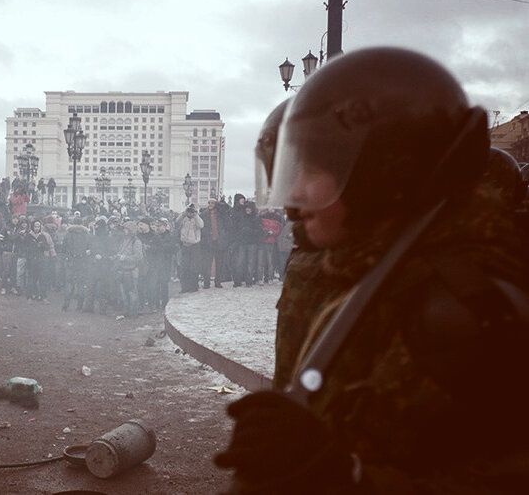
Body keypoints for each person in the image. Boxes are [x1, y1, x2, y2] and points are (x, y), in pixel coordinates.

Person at [216, 47, 529, 493]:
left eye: (313, 169)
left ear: (380, 173)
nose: (293, 198)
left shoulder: (459, 317)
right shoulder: (382, 276)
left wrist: (339, 477)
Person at [199, 197, 230, 288]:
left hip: (219, 242)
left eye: (212, 203)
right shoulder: (203, 215)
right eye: (209, 203)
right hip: (208, 242)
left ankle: (218, 282)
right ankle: (206, 283)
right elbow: (202, 228)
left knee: (219, 263)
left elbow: (228, 225)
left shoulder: (221, 214)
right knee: (207, 263)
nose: (210, 205)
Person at [174, 204, 203, 293]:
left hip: (194, 245)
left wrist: (195, 215)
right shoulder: (184, 218)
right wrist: (183, 214)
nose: (190, 213)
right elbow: (176, 222)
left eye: (191, 211)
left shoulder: (197, 218)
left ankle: (194, 286)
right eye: (189, 211)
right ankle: (185, 287)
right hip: (185, 245)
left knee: (194, 267)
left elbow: (201, 225)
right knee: (184, 267)